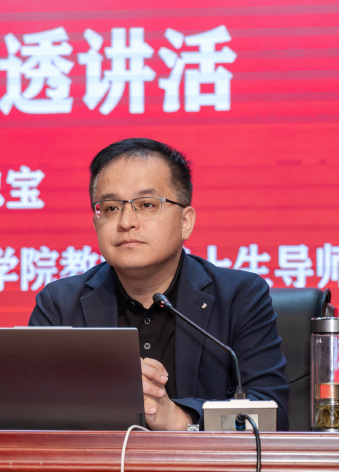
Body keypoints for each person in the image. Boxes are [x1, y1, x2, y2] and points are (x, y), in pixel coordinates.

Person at [29, 138, 289, 430]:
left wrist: (180, 418)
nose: (126, 222)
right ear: (96, 222)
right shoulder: (60, 306)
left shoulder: (239, 297)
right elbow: (29, 414)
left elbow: (272, 415)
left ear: (185, 222)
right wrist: (98, 394)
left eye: (147, 205)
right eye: (111, 208)